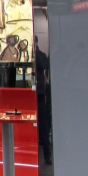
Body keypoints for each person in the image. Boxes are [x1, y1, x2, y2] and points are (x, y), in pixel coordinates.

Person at [34, 35, 52, 164]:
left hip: (40, 93)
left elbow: (44, 65)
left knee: (44, 124)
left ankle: (47, 155)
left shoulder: (41, 55)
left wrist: (35, 52)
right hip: (30, 93)